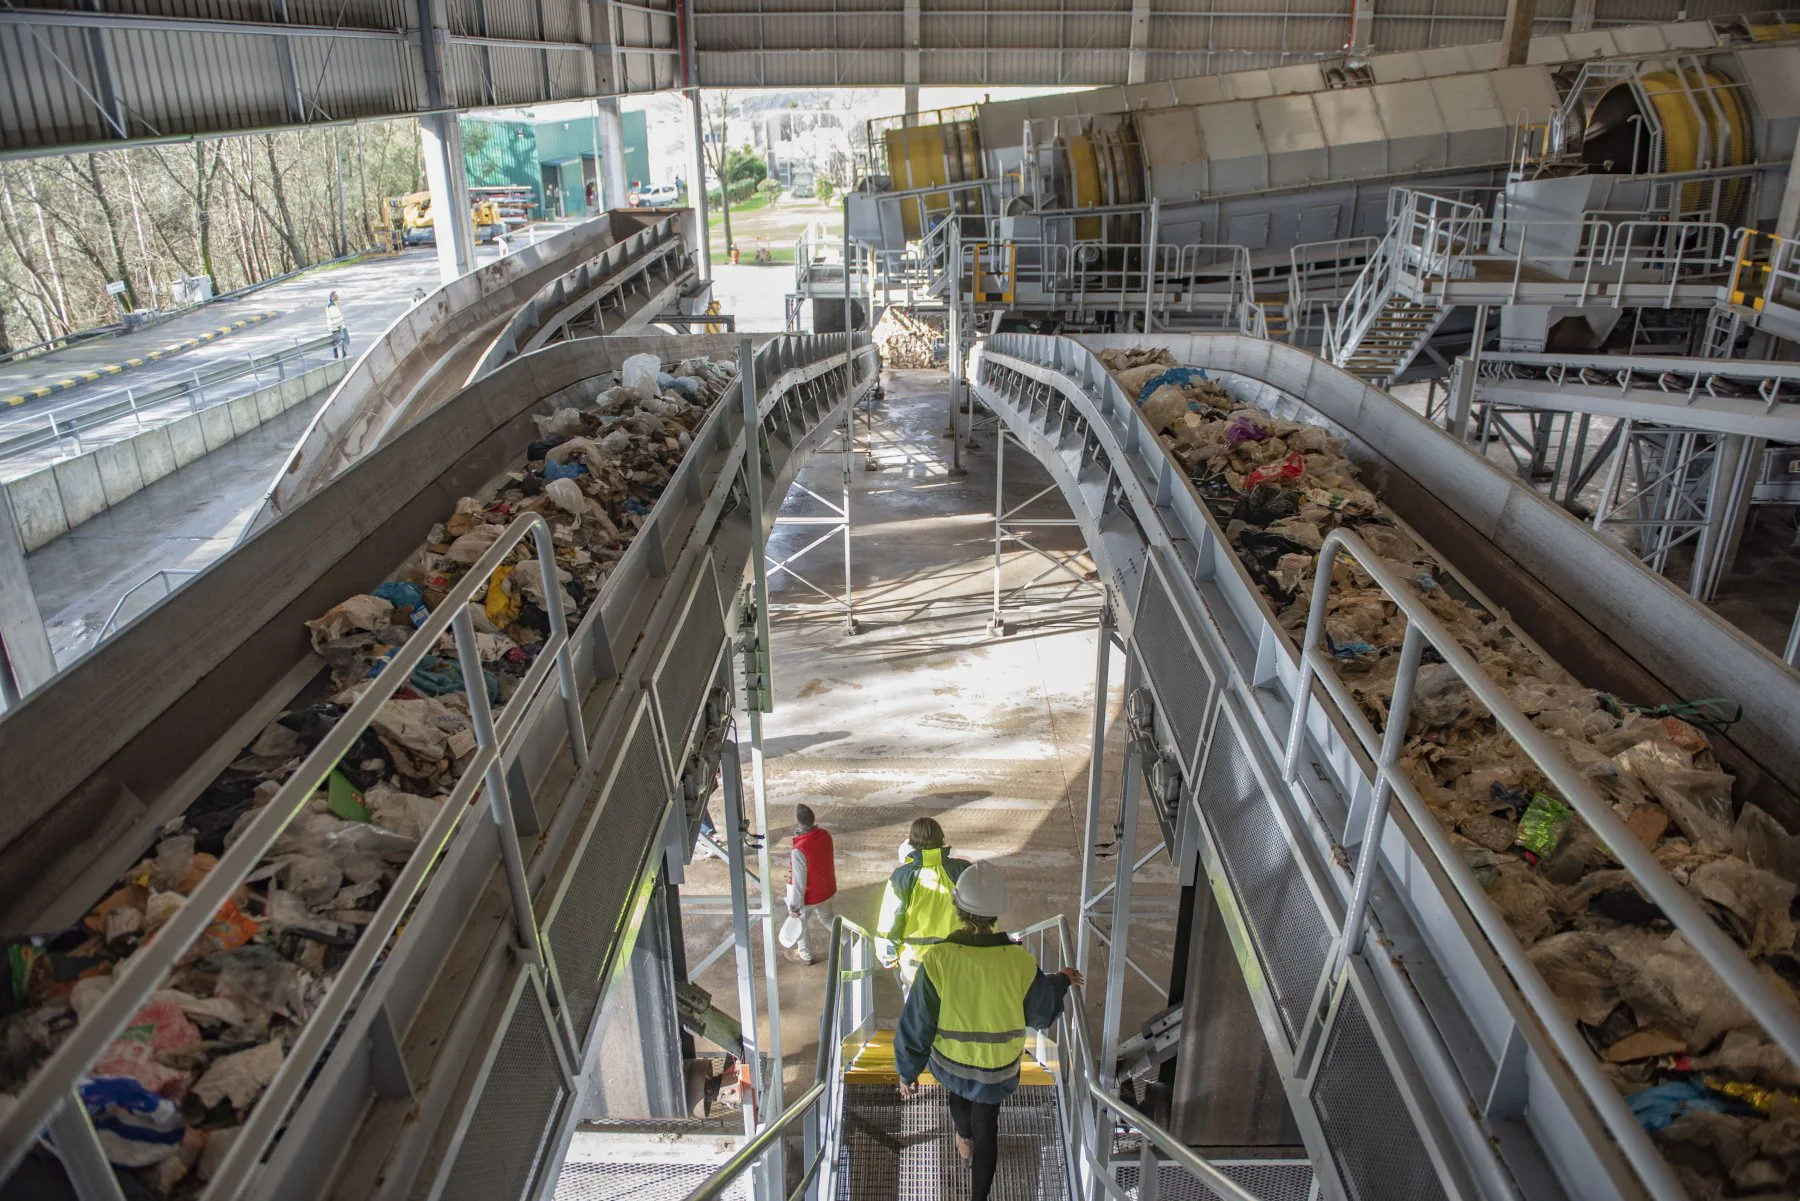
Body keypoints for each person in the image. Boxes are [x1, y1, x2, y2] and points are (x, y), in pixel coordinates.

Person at [893, 862, 1080, 1201]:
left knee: (958, 1095)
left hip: (950, 1063)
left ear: (957, 907)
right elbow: (1041, 1013)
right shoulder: (1019, 961)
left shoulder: (939, 959)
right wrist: (1061, 981)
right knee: (988, 1129)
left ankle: (962, 1139)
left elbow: (917, 1023)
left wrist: (908, 1072)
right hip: (998, 1069)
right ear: (997, 913)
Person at [876, 818, 971, 990]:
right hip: (958, 956)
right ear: (941, 838)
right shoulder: (963, 870)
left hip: (916, 961)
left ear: (911, 842)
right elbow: (980, 914)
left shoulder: (902, 876)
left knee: (917, 1010)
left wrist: (887, 955)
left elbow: (891, 917)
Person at [784, 804, 836, 964]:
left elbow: (799, 882)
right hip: (827, 890)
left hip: (810, 897)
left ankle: (805, 955)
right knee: (828, 919)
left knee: (799, 924)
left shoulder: (799, 849)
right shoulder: (825, 835)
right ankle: (850, 942)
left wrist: (794, 907)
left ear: (797, 822)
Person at [324, 292, 347, 359]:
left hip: (335, 327)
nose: (338, 296)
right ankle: (340, 355)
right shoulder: (331, 306)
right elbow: (335, 317)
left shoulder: (332, 304)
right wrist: (339, 326)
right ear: (333, 297)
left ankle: (339, 355)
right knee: (338, 341)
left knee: (337, 341)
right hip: (336, 327)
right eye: (336, 295)